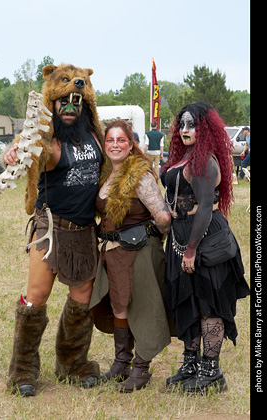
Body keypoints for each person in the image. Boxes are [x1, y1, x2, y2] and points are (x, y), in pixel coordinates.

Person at [3, 64, 104, 397]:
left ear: (85, 103)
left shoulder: (95, 136)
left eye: (77, 100)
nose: (70, 108)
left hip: (85, 230)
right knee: (36, 298)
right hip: (51, 227)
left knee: (82, 300)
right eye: (64, 102)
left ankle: (73, 365)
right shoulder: (48, 139)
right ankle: (22, 371)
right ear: (53, 103)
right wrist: (15, 150)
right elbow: (29, 146)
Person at [160, 102, 250, 393]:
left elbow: (205, 209)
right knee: (187, 301)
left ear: (205, 128)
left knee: (208, 302)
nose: (185, 130)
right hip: (179, 235)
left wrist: (191, 249)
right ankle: (191, 365)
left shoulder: (203, 161)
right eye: (182, 125)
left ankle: (211, 371)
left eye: (192, 125)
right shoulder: (184, 157)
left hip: (204, 239)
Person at [89, 119, 172, 393]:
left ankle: (141, 368)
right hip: (113, 252)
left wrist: (150, 237)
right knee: (119, 307)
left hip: (138, 252)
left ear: (130, 144)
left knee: (142, 307)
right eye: (110, 140)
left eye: (121, 140)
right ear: (104, 144)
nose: (115, 145)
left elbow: (162, 216)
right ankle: (121, 363)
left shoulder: (139, 174)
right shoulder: (105, 173)